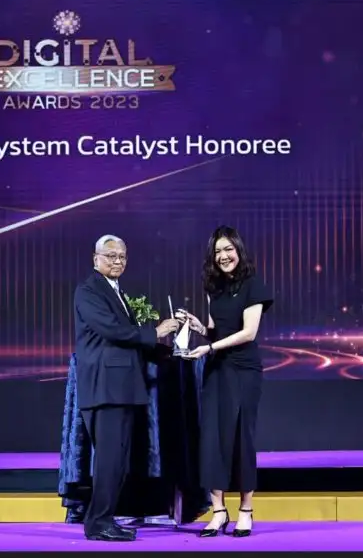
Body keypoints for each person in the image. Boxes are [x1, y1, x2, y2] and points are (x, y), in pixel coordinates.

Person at [73, 234, 179, 542]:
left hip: (121, 388)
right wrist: (155, 332)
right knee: (109, 460)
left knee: (118, 460)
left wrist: (170, 351)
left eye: (122, 256)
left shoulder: (115, 290)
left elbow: (128, 340)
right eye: (111, 256)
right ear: (96, 259)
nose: (117, 261)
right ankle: (98, 523)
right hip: (105, 389)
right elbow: (113, 330)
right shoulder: (88, 290)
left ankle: (104, 519)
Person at [177, 225, 273, 538]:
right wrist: (199, 328)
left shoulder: (253, 285)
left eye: (228, 249)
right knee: (213, 438)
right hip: (217, 370)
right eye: (218, 251)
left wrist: (210, 347)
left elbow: (248, 333)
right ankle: (218, 510)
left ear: (238, 250)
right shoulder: (213, 288)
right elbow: (215, 331)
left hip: (244, 370)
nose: (223, 256)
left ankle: (246, 509)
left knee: (242, 437)